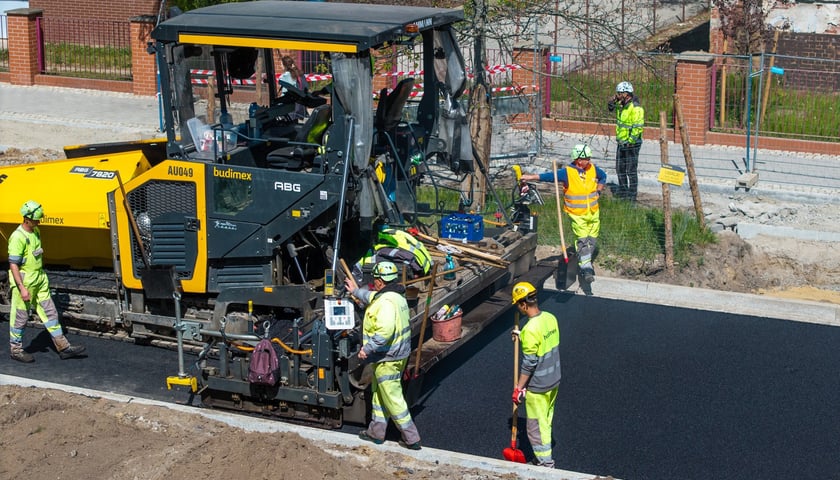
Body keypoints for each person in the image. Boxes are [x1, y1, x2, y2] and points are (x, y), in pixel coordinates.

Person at [344, 261, 421, 450]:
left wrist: (367, 349)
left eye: (375, 279)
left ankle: (411, 438)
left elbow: (384, 332)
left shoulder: (385, 303)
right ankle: (376, 433)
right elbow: (371, 296)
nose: (374, 282)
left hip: (388, 358)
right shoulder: (396, 296)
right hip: (397, 354)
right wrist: (355, 291)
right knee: (379, 393)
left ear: (379, 281)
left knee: (393, 397)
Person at [7, 200, 86, 363]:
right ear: (26, 219)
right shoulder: (17, 237)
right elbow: (13, 265)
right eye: (36, 219)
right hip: (25, 282)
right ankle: (16, 350)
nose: (39, 222)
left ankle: (63, 347)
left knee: (50, 313)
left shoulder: (36, 231)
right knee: (20, 317)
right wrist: (22, 288)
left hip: (39, 279)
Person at [520, 144, 606, 283]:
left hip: (593, 212)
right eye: (587, 158)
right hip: (577, 214)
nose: (589, 161)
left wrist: (599, 191)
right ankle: (585, 267)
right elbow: (549, 176)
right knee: (583, 238)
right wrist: (530, 177)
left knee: (592, 239)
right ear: (579, 160)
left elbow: (603, 177)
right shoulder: (567, 173)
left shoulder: (593, 169)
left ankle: (585, 259)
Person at [510, 281, 561, 468]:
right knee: (545, 420)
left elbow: (529, 364)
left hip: (538, 387)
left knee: (535, 428)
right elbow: (542, 341)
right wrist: (521, 335)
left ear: (523, 304)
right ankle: (544, 458)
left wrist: (519, 388)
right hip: (554, 380)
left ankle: (546, 463)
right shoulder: (550, 318)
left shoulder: (530, 330)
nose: (518, 308)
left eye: (518, 305)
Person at [608, 81, 645, 201]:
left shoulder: (636, 107)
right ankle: (623, 192)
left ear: (626, 94)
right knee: (620, 168)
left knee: (631, 171)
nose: (617, 95)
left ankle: (632, 196)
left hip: (632, 144)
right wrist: (611, 102)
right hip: (622, 142)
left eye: (619, 93)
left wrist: (630, 141)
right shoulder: (622, 105)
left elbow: (637, 127)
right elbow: (611, 108)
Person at [279, 55, 309, 122]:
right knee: (295, 123)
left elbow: (285, 93)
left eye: (281, 64)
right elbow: (306, 87)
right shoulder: (300, 75)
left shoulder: (285, 76)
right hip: (300, 105)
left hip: (289, 106)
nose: (280, 66)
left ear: (285, 65)